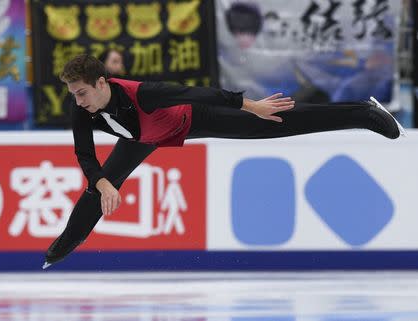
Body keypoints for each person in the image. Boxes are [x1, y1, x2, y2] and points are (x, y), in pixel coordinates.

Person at [42, 54, 405, 269]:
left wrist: (254, 107)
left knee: (276, 124)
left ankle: (363, 113)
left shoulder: (146, 95)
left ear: (103, 84)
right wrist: (105, 182)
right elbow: (84, 155)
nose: (78, 101)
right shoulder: (82, 108)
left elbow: (201, 92)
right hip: (140, 139)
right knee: (98, 186)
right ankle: (58, 251)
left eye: (82, 92)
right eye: (73, 94)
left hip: (191, 117)